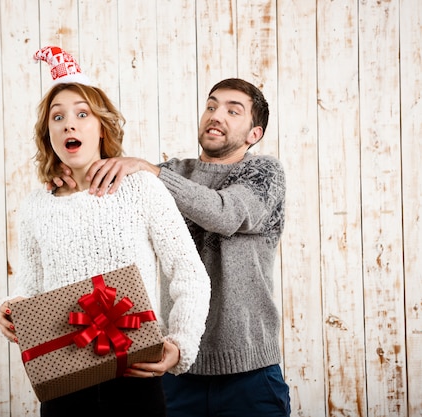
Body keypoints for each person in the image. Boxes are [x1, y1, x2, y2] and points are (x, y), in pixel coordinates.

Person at [55, 78, 291, 416]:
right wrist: (67, 184)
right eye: (211, 106)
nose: (216, 115)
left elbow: (228, 213)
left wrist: (152, 172)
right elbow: (106, 200)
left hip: (250, 374)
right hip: (174, 365)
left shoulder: (264, 172)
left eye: (232, 111)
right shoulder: (169, 173)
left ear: (254, 134)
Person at [0, 46, 211, 417]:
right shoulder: (35, 206)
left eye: (82, 114)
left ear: (101, 128)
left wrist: (179, 345)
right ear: (49, 135)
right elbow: (31, 289)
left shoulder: (140, 187)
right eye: (58, 117)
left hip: (136, 380)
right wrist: (11, 311)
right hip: (63, 388)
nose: (69, 124)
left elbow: (189, 274)